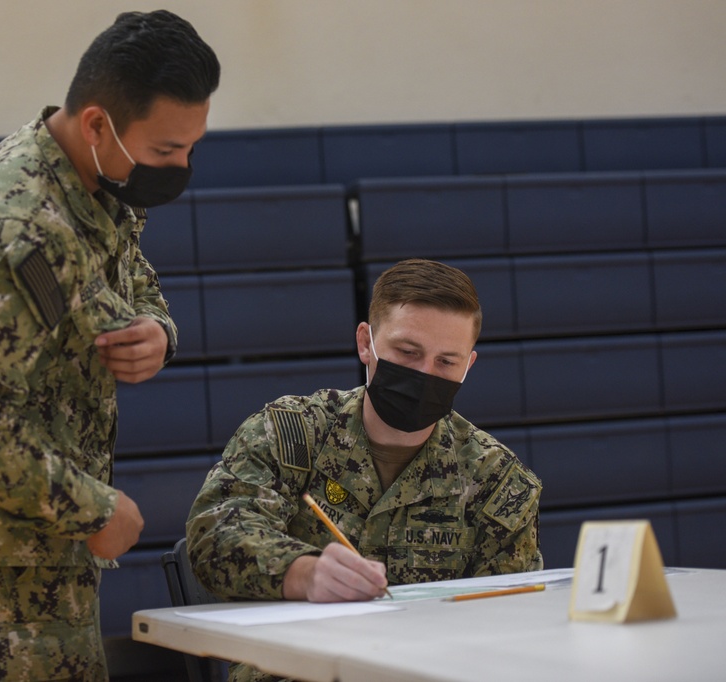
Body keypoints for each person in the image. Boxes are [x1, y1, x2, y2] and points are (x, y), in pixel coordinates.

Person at [0, 10, 219, 681]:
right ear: (100, 123)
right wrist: (93, 506)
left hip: (43, 536)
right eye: (166, 151)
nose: (181, 167)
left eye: (191, 148)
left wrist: (158, 333)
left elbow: (137, 283)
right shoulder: (11, 230)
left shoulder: (97, 179)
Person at [187, 258, 542, 681]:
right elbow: (214, 536)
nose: (424, 374)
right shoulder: (292, 434)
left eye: (446, 362)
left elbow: (515, 620)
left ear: (469, 365)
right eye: (408, 353)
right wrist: (303, 573)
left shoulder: (496, 478)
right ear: (365, 343)